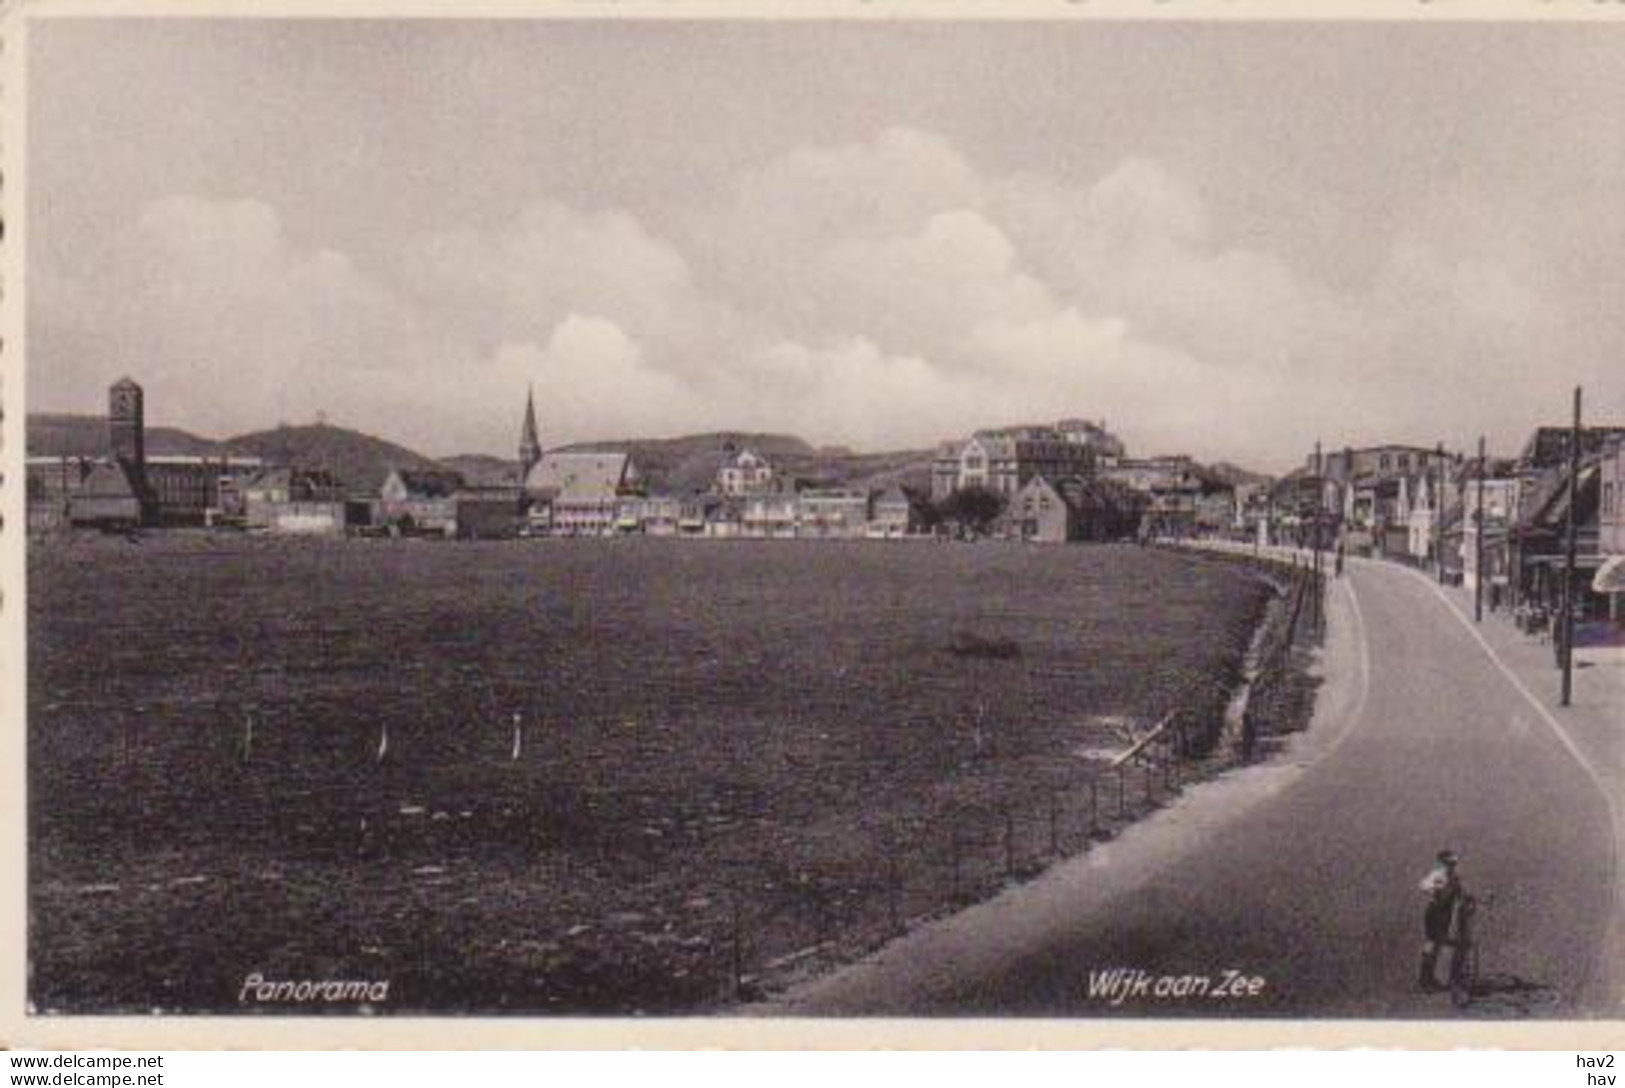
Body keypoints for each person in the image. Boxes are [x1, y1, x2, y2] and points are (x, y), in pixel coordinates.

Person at [1418, 849, 1464, 991]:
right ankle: (1424, 979)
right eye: (1449, 863)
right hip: (1435, 912)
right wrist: (1435, 888)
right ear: (1442, 863)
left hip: (1446, 913)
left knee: (1437, 945)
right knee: (1432, 944)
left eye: (1453, 863)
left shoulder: (1455, 877)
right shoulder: (1438, 875)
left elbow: (1460, 894)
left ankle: (1430, 977)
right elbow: (1423, 885)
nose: (1451, 866)